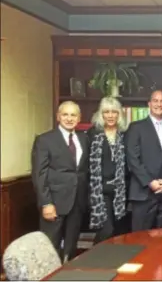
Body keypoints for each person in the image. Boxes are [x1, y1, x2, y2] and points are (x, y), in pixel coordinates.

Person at [31, 101, 89, 262]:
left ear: (79, 118)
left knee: (71, 246)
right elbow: (39, 174)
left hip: (77, 201)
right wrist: (46, 203)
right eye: (65, 114)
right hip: (54, 202)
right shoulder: (45, 140)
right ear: (58, 117)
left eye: (73, 115)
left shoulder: (84, 139)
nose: (69, 118)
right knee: (50, 246)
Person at [126, 90, 162, 231]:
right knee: (140, 240)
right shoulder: (136, 128)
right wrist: (150, 182)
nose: (159, 104)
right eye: (155, 101)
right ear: (149, 104)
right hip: (143, 193)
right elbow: (132, 159)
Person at [87, 97, 128, 244]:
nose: (110, 115)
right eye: (106, 112)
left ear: (119, 115)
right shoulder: (92, 135)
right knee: (106, 230)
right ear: (101, 114)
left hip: (121, 191)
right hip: (100, 191)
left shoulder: (125, 135)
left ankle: (112, 263)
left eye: (114, 112)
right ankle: (93, 259)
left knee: (119, 233)